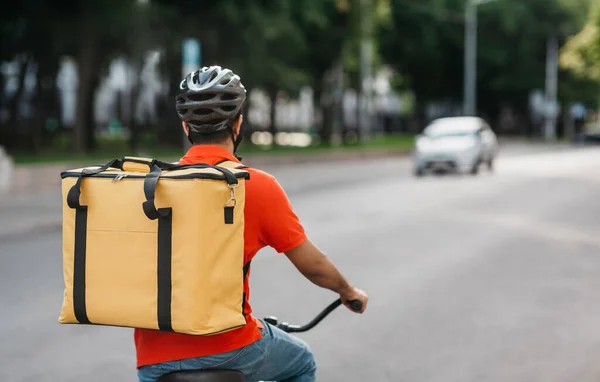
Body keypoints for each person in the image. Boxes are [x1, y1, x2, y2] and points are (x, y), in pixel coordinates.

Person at [135, 65, 368, 382]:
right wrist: (347, 291)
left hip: (153, 357)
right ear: (238, 125)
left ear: (186, 127)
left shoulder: (150, 187)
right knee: (301, 363)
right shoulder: (253, 186)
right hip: (231, 345)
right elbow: (312, 264)